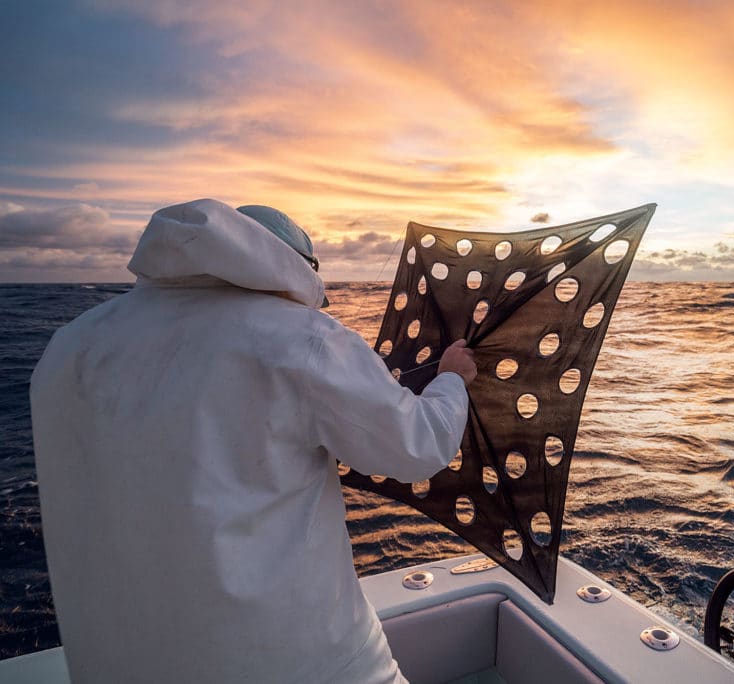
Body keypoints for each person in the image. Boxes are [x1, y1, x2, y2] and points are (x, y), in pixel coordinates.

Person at [30, 198, 476, 683]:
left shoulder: (70, 345)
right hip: (303, 666)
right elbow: (418, 445)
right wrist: (451, 380)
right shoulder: (303, 337)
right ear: (293, 266)